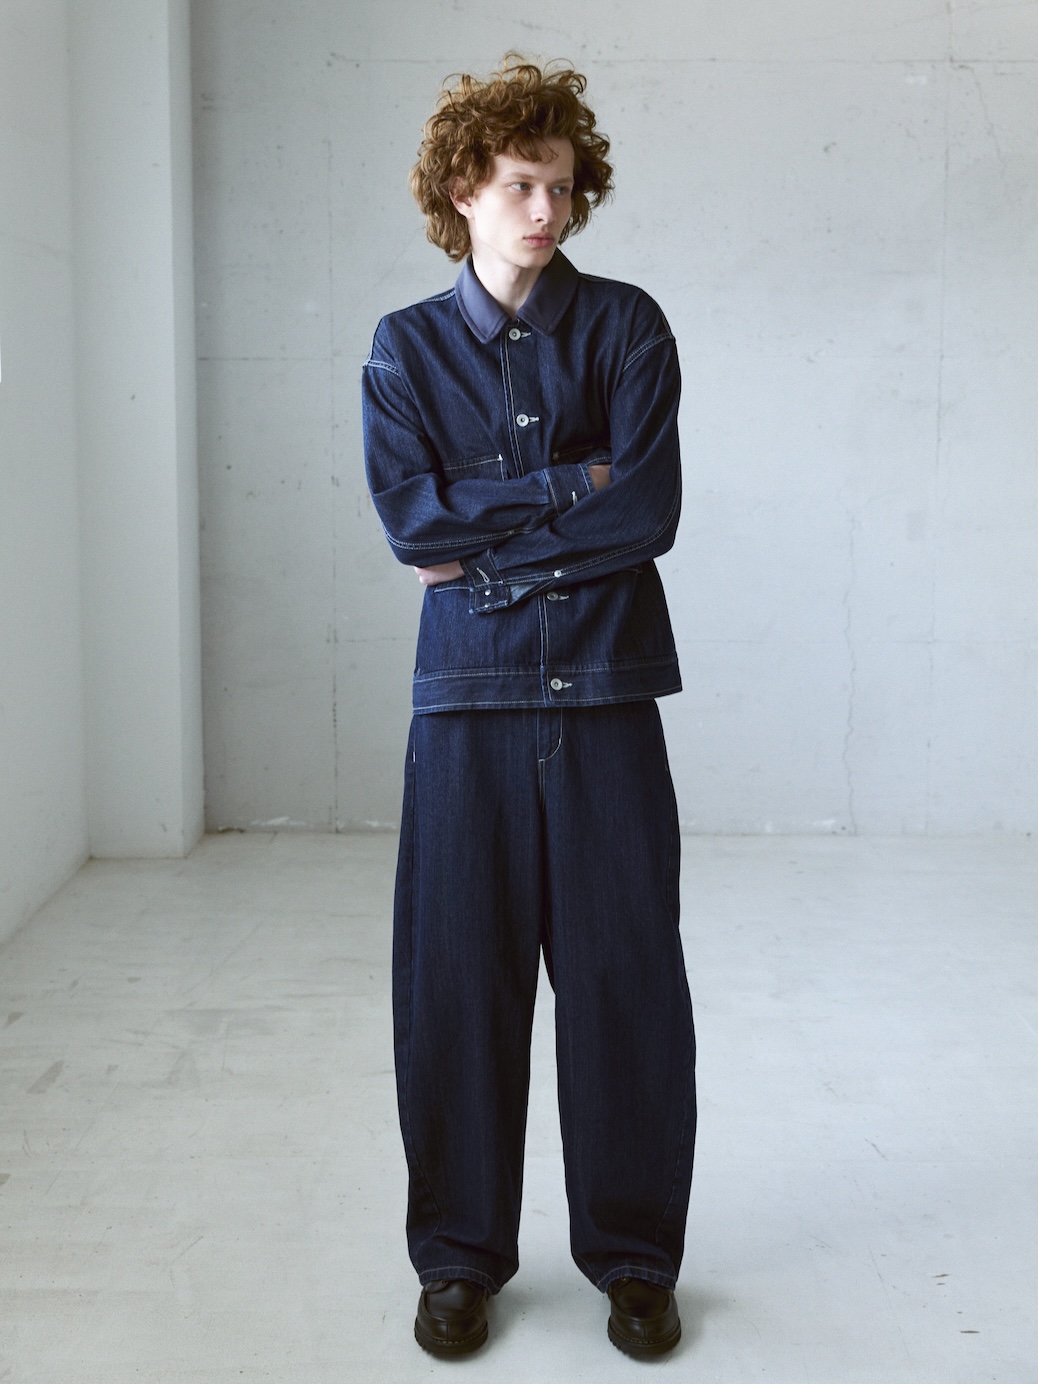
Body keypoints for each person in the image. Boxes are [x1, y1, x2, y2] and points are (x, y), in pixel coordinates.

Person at [361, 55, 696, 1359]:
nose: (545, 211)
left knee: (625, 986)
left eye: (559, 186)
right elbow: (411, 526)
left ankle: (635, 1261)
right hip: (465, 709)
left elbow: (648, 508)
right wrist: (570, 485)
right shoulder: (404, 349)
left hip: (606, 697)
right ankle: (457, 1259)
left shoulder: (628, 328)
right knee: (456, 989)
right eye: (518, 185)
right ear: (464, 189)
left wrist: (491, 546)